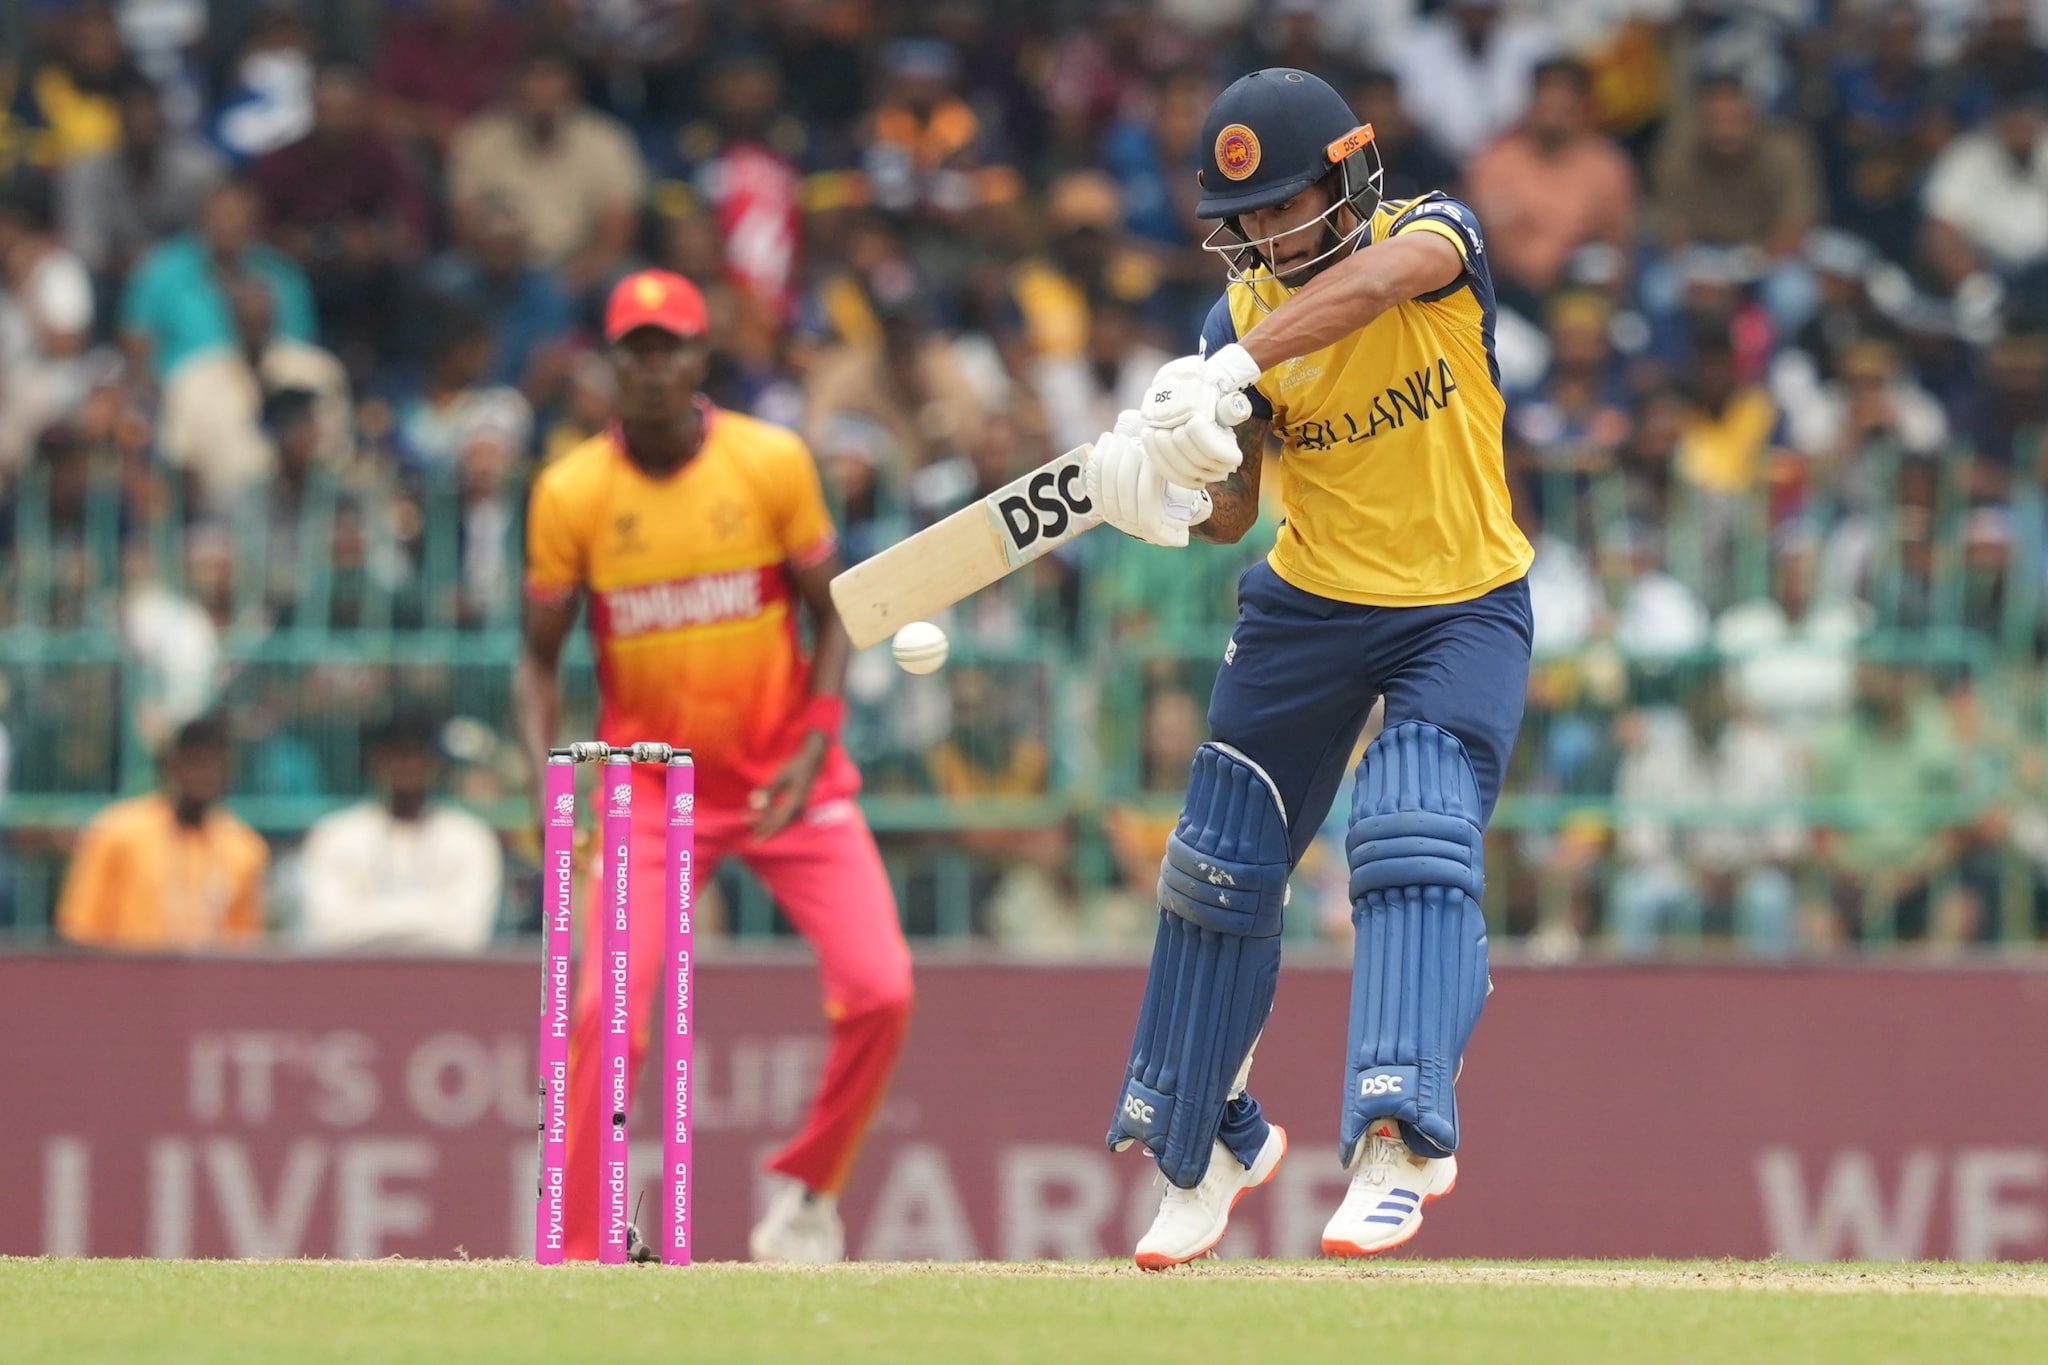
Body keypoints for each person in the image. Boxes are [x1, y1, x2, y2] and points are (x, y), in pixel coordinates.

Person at [1085, 69, 1532, 1267]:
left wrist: (1231, 365)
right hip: (1308, 604)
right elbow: (1233, 513)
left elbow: (1376, 283)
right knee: (1216, 859)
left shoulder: (1433, 236)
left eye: (1288, 204)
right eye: (1249, 217)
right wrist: (1166, 495)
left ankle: (1398, 1136)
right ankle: (1205, 1143)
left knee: (1410, 827)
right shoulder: (1226, 328)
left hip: (1458, 601)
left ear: (1349, 177)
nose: (1271, 235)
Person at [517, 269, 913, 1263]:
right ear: (611, 366)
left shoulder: (770, 462)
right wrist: (543, 789)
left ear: (700, 358)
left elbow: (833, 614)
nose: (653, 369)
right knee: (606, 1011)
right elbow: (537, 658)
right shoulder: (570, 492)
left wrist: (818, 737)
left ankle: (809, 1192)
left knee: (880, 990)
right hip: (652, 789)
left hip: (788, 777)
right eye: (636, 352)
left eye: (671, 349)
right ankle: (583, 1246)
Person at [297, 707, 503, 953]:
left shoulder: (471, 838)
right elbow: (329, 931)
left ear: (435, 763)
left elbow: (468, 934)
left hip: (442, 976)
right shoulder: (335, 836)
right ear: (377, 761)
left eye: (417, 754)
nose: (407, 765)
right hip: (357, 976)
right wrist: (432, 914)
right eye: (397, 754)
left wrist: (369, 916)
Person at [55, 715, 267, 951]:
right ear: (172, 765)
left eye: (213, 766)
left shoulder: (244, 848)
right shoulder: (118, 832)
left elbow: (242, 947)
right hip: (125, 971)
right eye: (195, 763)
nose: (204, 776)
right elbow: (79, 930)